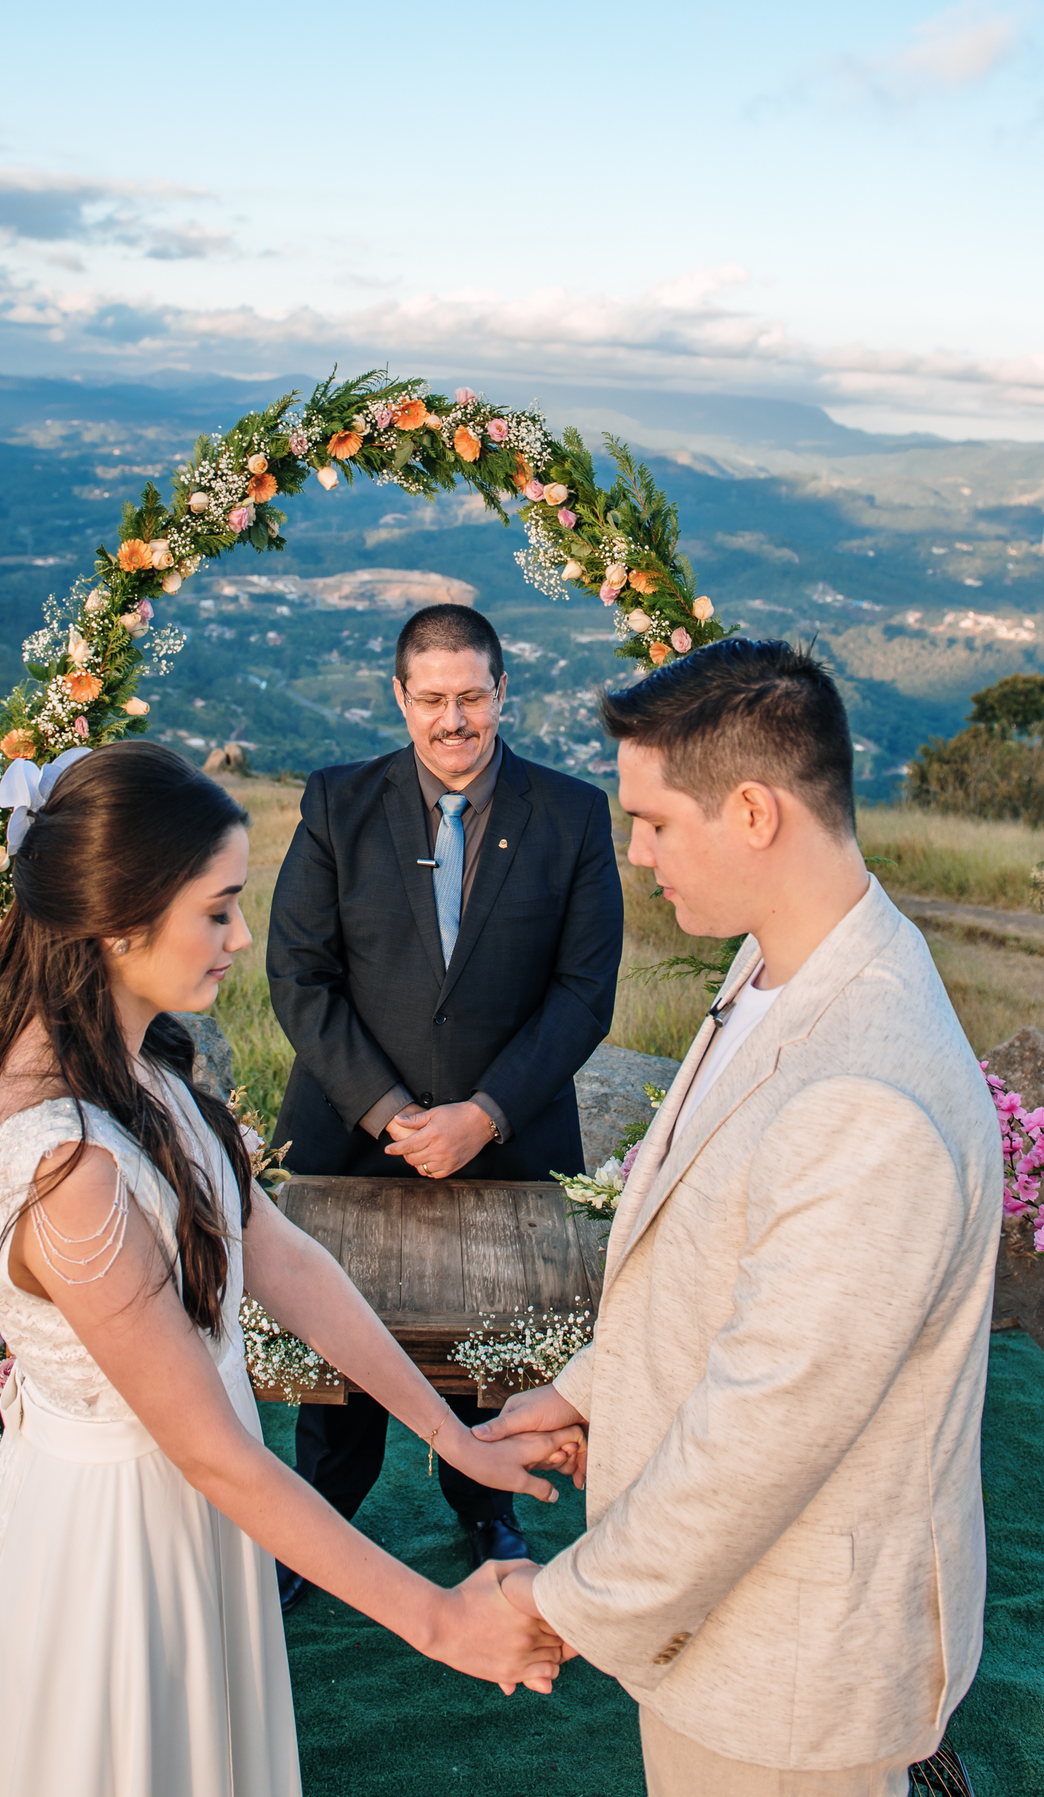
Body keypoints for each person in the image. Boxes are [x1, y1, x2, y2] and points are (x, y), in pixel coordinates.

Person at [0, 742, 582, 1797]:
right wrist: (440, 1620)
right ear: (121, 920)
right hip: (121, 1551)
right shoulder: (67, 1168)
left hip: (198, 1513)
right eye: (218, 909)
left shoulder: (133, 1061)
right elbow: (216, 1455)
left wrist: (450, 1428)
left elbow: (283, 1256)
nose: (242, 937)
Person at [482, 639, 1002, 1796]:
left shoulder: (870, 1093)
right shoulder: (777, 966)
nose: (636, 850)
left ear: (755, 813)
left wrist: (558, 1605)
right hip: (737, 1642)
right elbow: (717, 1257)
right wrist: (589, 1393)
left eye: (657, 821)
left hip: (793, 1677)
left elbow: (768, 1427)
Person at [266, 603, 623, 1602]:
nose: (452, 720)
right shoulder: (339, 804)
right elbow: (299, 974)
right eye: (432, 699)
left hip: (505, 1142)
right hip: (349, 1132)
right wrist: (388, 1111)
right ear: (399, 697)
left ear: (503, 692)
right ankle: (319, 1523)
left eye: (472, 696)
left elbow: (584, 991)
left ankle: (487, 1507)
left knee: (489, 1348)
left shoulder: (573, 814)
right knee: (337, 1346)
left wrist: (485, 1112)